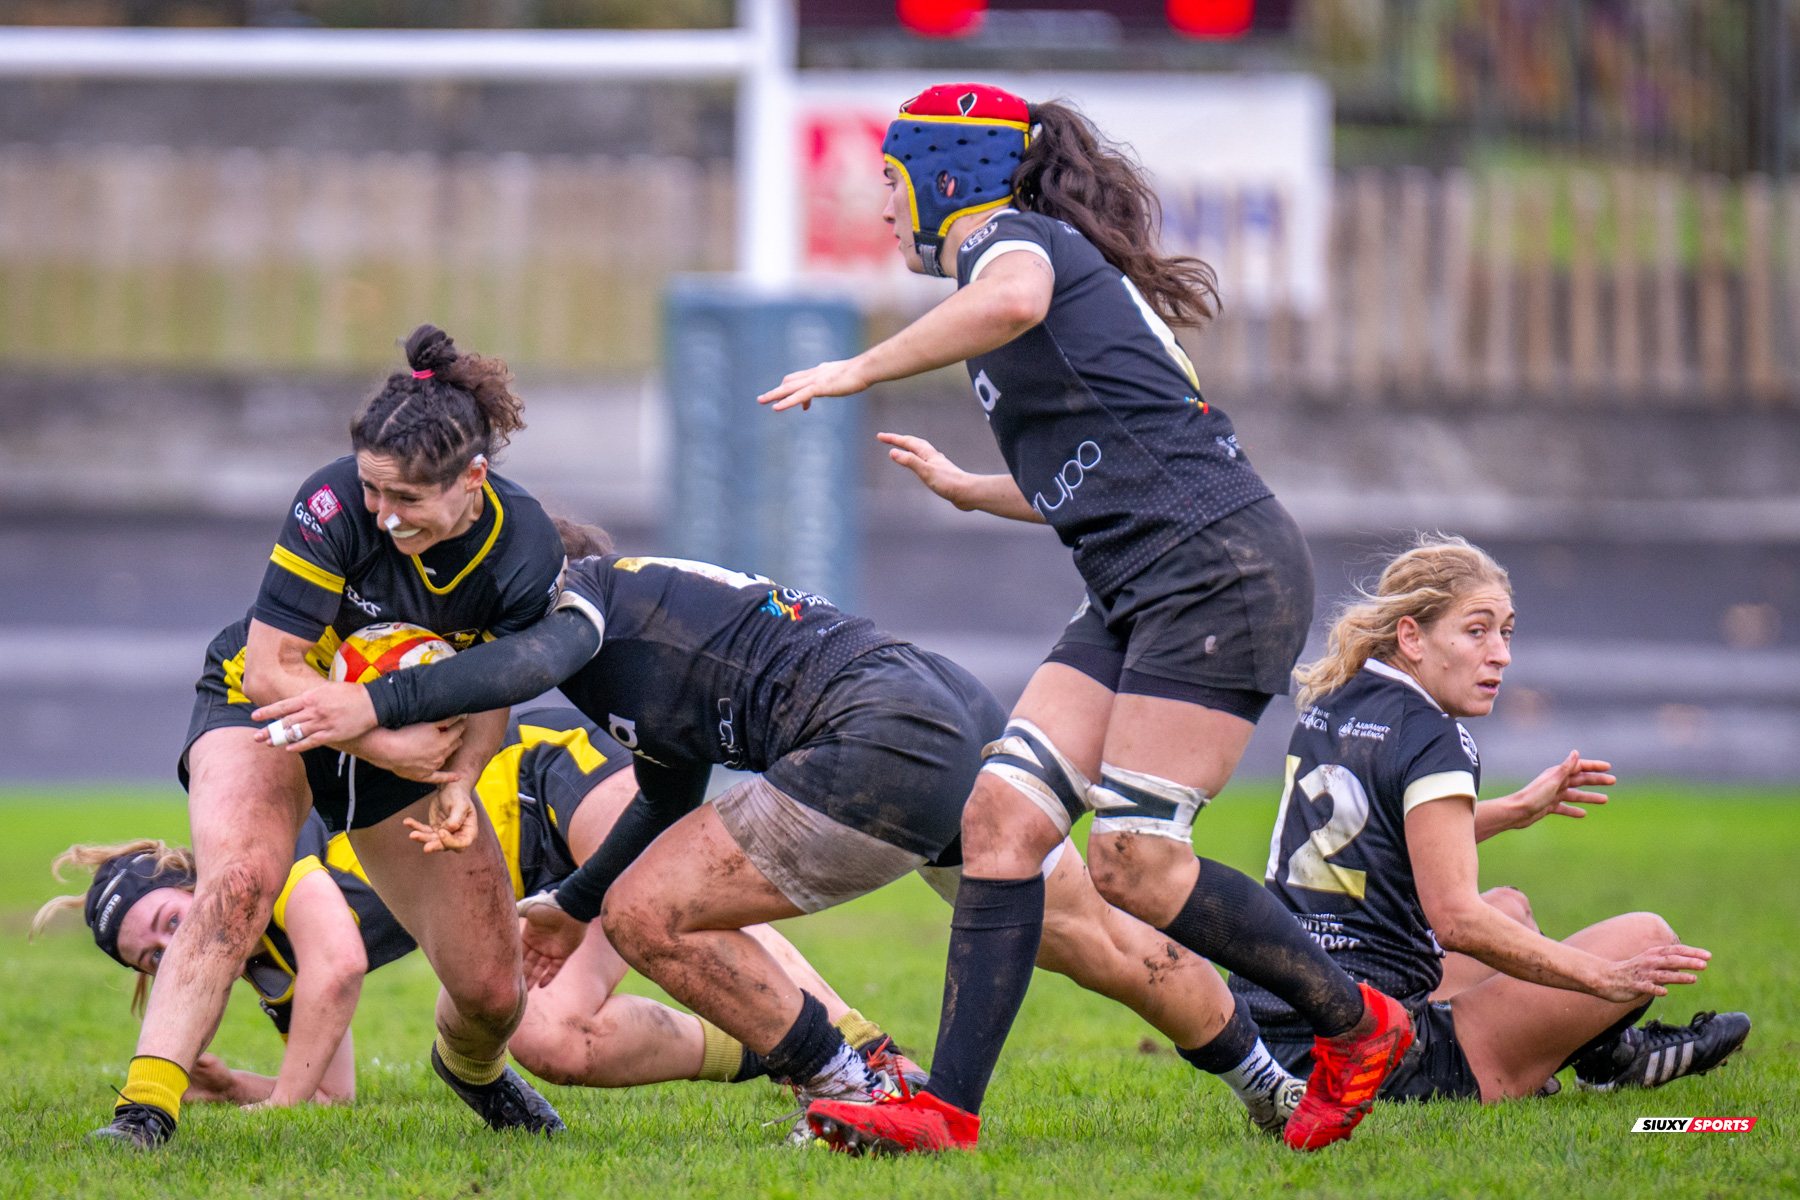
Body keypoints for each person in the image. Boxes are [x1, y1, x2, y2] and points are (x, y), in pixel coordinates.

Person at [755, 83, 1410, 1153]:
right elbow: (1107, 469)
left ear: (947, 177)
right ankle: (946, 1113)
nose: (882, 207)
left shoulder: (1007, 244)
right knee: (1001, 823)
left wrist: (855, 369)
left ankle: (1359, 1021)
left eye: (891, 182)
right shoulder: (1028, 260)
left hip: (1211, 572)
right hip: (1144, 578)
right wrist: (975, 490)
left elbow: (1013, 302)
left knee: (1135, 864)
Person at [251, 537, 1312, 1144]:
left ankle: (850, 1082)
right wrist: (569, 906)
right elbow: (666, 788)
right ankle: (1273, 1087)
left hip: (872, 736)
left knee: (652, 916)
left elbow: (506, 672)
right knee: (1095, 940)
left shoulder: (578, 616)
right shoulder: (637, 632)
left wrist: (374, 704)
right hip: (938, 704)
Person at [91, 325, 569, 1150]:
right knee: (241, 881)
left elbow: (495, 686)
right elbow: (269, 669)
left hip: (399, 729)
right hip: (269, 706)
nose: (383, 515)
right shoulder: (333, 502)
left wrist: (460, 778)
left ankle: (474, 1070)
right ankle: (145, 1112)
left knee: (493, 990)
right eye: (373, 489)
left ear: (473, 479)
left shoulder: (524, 549)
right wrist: (383, 745)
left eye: (406, 499)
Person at [37, 709, 904, 1107]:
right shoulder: (269, 967)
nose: (173, 951)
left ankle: (871, 1060)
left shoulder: (266, 863)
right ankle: (779, 1056)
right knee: (552, 1043)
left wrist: (280, 1112)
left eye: (166, 923)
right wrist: (237, 1088)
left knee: (661, 887)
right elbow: (331, 1092)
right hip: (522, 899)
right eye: (152, 958)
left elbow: (339, 968)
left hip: (537, 780)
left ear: (189, 879)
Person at [1232, 534, 1751, 1101]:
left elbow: (1379, 836)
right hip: (1368, 1052)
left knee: (1509, 907)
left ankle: (1607, 1053)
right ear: (1411, 636)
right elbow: (1456, 921)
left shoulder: (1335, 700)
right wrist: (1600, 979)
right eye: (1477, 631)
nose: (1501, 654)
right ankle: (1603, 1051)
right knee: (1644, 939)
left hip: (1276, 1032)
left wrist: (1516, 810)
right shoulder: (1434, 737)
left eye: (1505, 633)